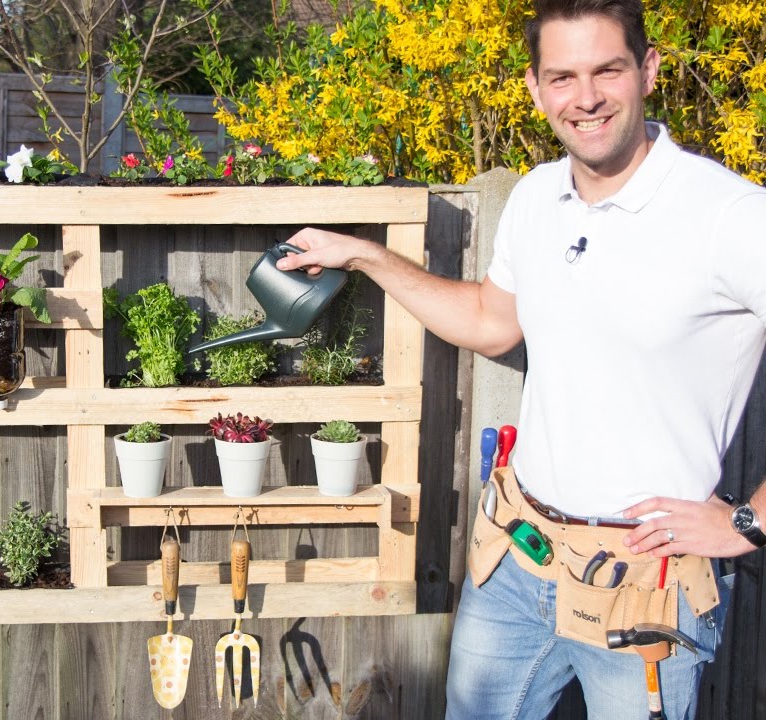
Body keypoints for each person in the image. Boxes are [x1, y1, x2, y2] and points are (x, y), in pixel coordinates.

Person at [274, 0, 766, 716]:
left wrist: (747, 522)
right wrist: (367, 256)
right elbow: (489, 320)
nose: (586, 97)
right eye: (562, 76)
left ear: (649, 71)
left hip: (646, 587)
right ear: (534, 89)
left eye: (608, 70)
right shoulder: (537, 198)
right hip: (515, 558)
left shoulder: (728, 216)